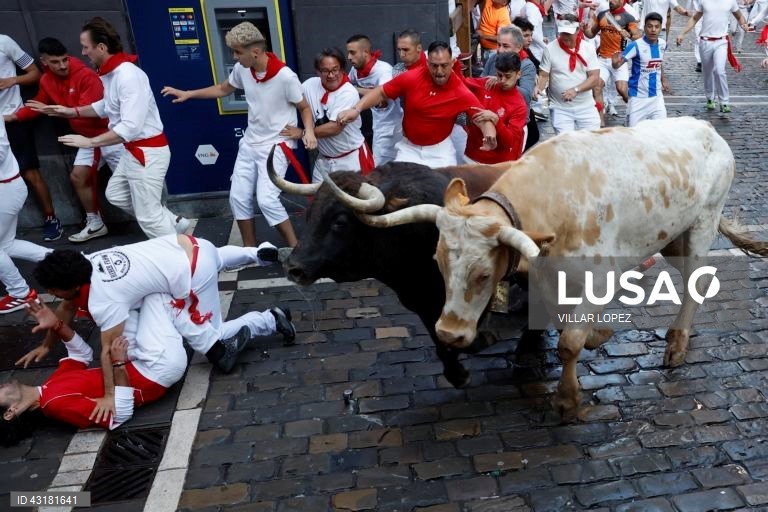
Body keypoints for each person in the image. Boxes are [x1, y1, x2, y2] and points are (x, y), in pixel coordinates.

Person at [26, 234, 294, 422]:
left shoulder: (104, 300)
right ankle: (259, 253)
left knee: (213, 333)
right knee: (211, 259)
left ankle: (269, 320)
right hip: (191, 244)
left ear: (74, 285)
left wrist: (110, 395)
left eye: (53, 289)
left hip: (193, 273)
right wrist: (47, 345)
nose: (51, 293)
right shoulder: (85, 262)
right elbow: (67, 307)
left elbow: (107, 350)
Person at [161, 22, 316, 249]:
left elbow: (304, 107)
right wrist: (188, 94)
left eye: (237, 52)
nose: (234, 57)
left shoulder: (285, 77)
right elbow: (223, 89)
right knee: (238, 197)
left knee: (267, 200)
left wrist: (308, 131)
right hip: (249, 144)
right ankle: (249, 250)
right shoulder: (243, 69)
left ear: (255, 52)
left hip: (276, 145)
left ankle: (296, 249)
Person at [42, 17, 190, 239]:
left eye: (86, 47)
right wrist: (72, 112)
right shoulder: (112, 73)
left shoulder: (127, 75)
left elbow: (130, 127)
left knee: (149, 217)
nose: (82, 52)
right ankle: (173, 225)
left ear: (101, 47)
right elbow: (107, 105)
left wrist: (90, 142)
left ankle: (182, 254)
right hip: (133, 151)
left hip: (147, 153)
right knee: (116, 194)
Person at [1, 294, 188, 430]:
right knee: (156, 297)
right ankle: (203, 334)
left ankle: (177, 323)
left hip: (136, 358)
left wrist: (56, 325)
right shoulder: (55, 406)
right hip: (157, 369)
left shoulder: (48, 388)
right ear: (11, 412)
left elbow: (81, 354)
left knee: (112, 302)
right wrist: (118, 363)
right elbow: (121, 414)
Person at [7, 37, 124, 243]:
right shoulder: (46, 80)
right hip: (87, 139)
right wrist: (12, 117)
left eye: (64, 59)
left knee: (131, 182)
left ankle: (160, 220)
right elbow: (39, 104)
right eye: (55, 62)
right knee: (78, 177)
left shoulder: (86, 75)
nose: (62, 66)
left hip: (111, 135)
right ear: (44, 61)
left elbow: (89, 111)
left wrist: (57, 110)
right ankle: (95, 224)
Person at [337, 41, 497, 168]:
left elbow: (481, 117)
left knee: (441, 195)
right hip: (409, 149)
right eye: (434, 65)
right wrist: (356, 109)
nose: (439, 71)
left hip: (440, 153)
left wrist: (489, 134)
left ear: (452, 62)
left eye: (444, 65)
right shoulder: (412, 77)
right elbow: (381, 92)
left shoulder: (460, 91)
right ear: (427, 63)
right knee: (400, 192)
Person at [0, 33, 63, 241]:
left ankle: (51, 219)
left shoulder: (4, 42)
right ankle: (6, 232)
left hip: (12, 119)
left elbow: (35, 73)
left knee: (29, 173)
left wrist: (12, 81)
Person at [0, 117, 51, 313]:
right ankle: (69, 261)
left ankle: (21, 293)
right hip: (8, 187)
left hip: (5, 190)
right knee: (6, 245)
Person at [301, 48, 373, 183]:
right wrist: (307, 130)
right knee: (318, 196)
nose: (331, 75)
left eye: (335, 70)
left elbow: (334, 128)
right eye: (325, 71)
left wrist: (303, 133)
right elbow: (302, 105)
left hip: (351, 160)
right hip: (323, 160)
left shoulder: (348, 92)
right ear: (317, 71)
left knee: (357, 196)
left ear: (342, 69)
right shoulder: (309, 85)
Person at [676, 0, 749, 113]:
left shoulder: (730, 1)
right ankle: (710, 98)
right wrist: (682, 33)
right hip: (705, 41)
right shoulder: (704, 1)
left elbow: (739, 16)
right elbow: (695, 18)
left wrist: (743, 24)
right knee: (707, 72)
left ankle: (724, 102)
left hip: (721, 41)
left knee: (720, 71)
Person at [534, 15, 601, 134]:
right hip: (560, 108)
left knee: (592, 140)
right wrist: (538, 88)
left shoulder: (588, 48)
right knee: (564, 142)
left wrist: (576, 90)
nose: (565, 36)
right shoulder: (550, 49)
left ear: (578, 30)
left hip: (586, 106)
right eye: (562, 32)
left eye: (569, 33)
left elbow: (594, 78)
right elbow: (544, 75)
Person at [346, 34, 403, 166]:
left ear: (365, 52)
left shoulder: (384, 70)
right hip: (376, 125)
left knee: (380, 169)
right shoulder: (355, 70)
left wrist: (356, 89)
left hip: (391, 127)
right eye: (348, 52)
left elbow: (382, 97)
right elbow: (346, 85)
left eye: (352, 53)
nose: (349, 57)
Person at [584, 0, 642, 126]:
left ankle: (637, 111)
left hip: (619, 60)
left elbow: (638, 36)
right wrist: (584, 29)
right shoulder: (602, 15)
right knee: (596, 87)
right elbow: (591, 34)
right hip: (603, 59)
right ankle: (601, 121)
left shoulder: (628, 17)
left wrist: (629, 35)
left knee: (622, 90)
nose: (611, 1)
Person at [482, 25, 540, 150]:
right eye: (498, 45)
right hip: (491, 119)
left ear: (518, 47)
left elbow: (526, 95)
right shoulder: (493, 59)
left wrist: (501, 82)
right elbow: (482, 83)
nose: (500, 50)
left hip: (513, 121)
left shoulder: (526, 66)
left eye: (505, 46)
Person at [463, 52, 528, 163]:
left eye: (508, 76)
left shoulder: (520, 105)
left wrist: (496, 120)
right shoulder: (487, 84)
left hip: (498, 164)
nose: (502, 80)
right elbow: (459, 83)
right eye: (499, 75)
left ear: (518, 74)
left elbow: (509, 142)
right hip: (471, 156)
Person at [612, 12, 671, 125]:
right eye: (650, 26)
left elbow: (658, 63)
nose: (653, 30)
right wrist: (615, 62)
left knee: (662, 131)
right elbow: (617, 65)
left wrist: (663, 79)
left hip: (657, 98)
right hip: (638, 99)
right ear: (644, 28)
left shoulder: (663, 44)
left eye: (656, 27)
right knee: (634, 133)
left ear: (660, 28)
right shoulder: (635, 46)